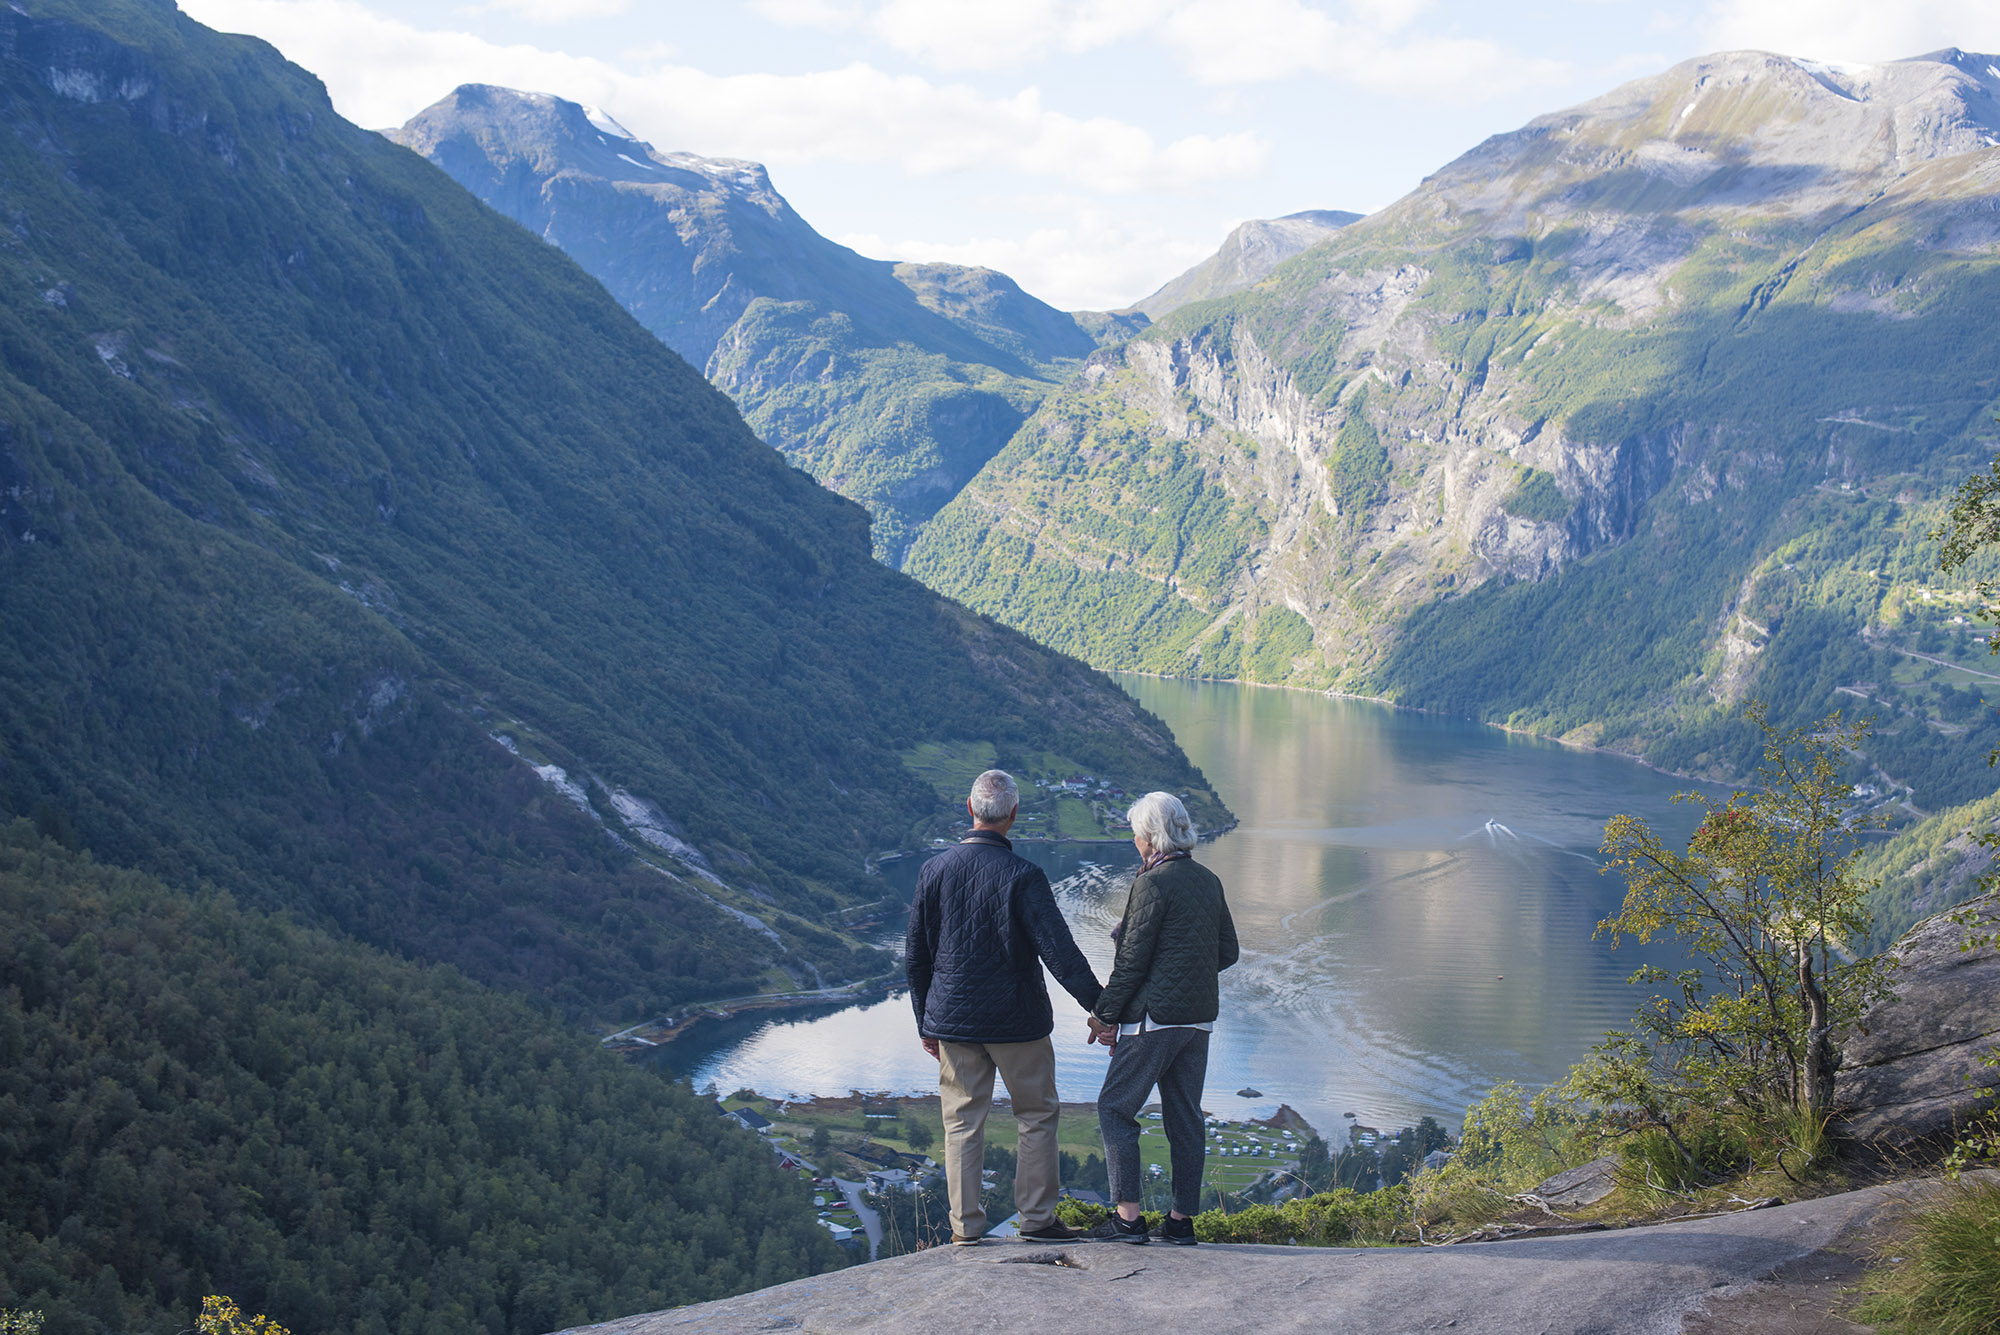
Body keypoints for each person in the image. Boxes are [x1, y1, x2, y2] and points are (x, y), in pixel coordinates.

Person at [905, 769, 1105, 1245]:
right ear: (1013, 815)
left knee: (961, 1124)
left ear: (970, 809)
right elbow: (1061, 954)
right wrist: (1102, 1008)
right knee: (1035, 1116)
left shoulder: (934, 870)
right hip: (1019, 1023)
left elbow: (916, 955)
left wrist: (925, 1024)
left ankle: (965, 1230)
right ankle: (1036, 1221)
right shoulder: (1024, 876)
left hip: (953, 1021)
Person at [1086, 791, 1238, 1245]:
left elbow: (1131, 962)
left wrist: (1103, 1016)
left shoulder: (1152, 884)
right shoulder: (1208, 880)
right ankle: (1179, 1222)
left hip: (1155, 1021)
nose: (1133, 839)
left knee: (1115, 1108)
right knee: (1185, 1117)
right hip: (1197, 1022)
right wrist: (1185, 972)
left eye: (1136, 831)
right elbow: (1227, 952)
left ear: (1150, 837)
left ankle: (1129, 1220)